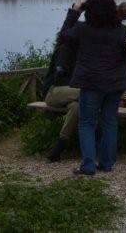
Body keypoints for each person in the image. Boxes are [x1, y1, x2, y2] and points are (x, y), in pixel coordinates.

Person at [62, 0, 126, 175]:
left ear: (89, 9)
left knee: (87, 122)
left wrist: (74, 12)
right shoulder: (121, 30)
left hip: (91, 82)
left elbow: (64, 36)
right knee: (110, 122)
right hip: (115, 83)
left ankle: (88, 165)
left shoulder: (83, 29)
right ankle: (106, 163)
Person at [42, 32, 79, 162]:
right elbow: (59, 79)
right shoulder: (64, 51)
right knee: (88, 93)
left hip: (69, 96)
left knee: (76, 107)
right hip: (53, 93)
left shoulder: (78, 53)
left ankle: (60, 145)